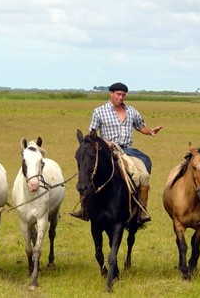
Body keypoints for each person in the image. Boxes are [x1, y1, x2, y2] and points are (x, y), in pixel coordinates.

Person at [70, 82, 163, 223]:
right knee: (87, 174)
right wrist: (104, 142)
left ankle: (142, 210)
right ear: (111, 94)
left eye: (123, 95)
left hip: (127, 151)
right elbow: (92, 135)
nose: (121, 97)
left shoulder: (131, 111)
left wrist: (150, 132)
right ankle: (85, 208)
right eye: (118, 94)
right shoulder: (99, 112)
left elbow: (140, 126)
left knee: (143, 176)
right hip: (106, 152)